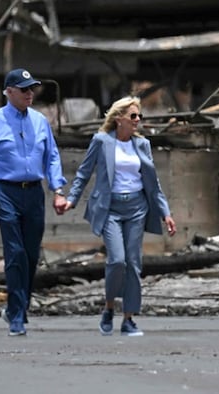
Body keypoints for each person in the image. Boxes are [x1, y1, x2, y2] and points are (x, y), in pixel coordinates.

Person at [63, 96, 177, 337]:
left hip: (137, 207)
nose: (137, 120)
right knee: (117, 261)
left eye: (139, 116)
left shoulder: (142, 144)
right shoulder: (102, 141)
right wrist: (71, 199)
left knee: (134, 264)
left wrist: (165, 212)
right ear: (118, 119)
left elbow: (153, 183)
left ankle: (128, 319)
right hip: (110, 208)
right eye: (133, 116)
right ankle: (108, 306)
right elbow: (84, 173)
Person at [0, 68, 69, 336]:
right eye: (24, 89)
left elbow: (51, 157)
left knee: (30, 254)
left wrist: (58, 190)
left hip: (34, 193)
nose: (30, 94)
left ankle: (19, 304)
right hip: (6, 191)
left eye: (32, 89)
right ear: (9, 92)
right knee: (14, 253)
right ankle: (16, 315)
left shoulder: (40, 122)